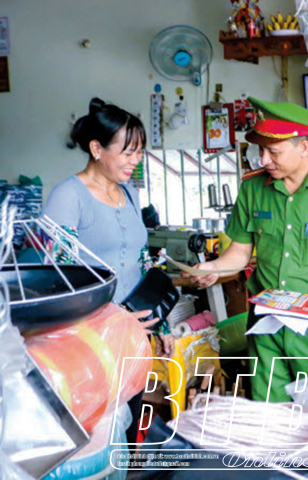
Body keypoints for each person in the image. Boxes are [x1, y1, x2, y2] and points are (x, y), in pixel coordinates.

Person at [184, 97, 308, 402]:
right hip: (264, 326)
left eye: (273, 151)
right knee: (267, 415)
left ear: (303, 147)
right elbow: (240, 253)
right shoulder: (252, 188)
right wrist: (213, 268)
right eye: (260, 150)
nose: (263, 160)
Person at [43, 97, 174, 445]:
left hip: (132, 336)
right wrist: (113, 320)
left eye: (140, 152)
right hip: (88, 342)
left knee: (129, 432)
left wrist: (159, 323)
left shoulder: (129, 194)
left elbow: (141, 261)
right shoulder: (68, 196)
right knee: (97, 435)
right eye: (127, 152)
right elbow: (58, 279)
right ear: (97, 148)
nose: (136, 161)